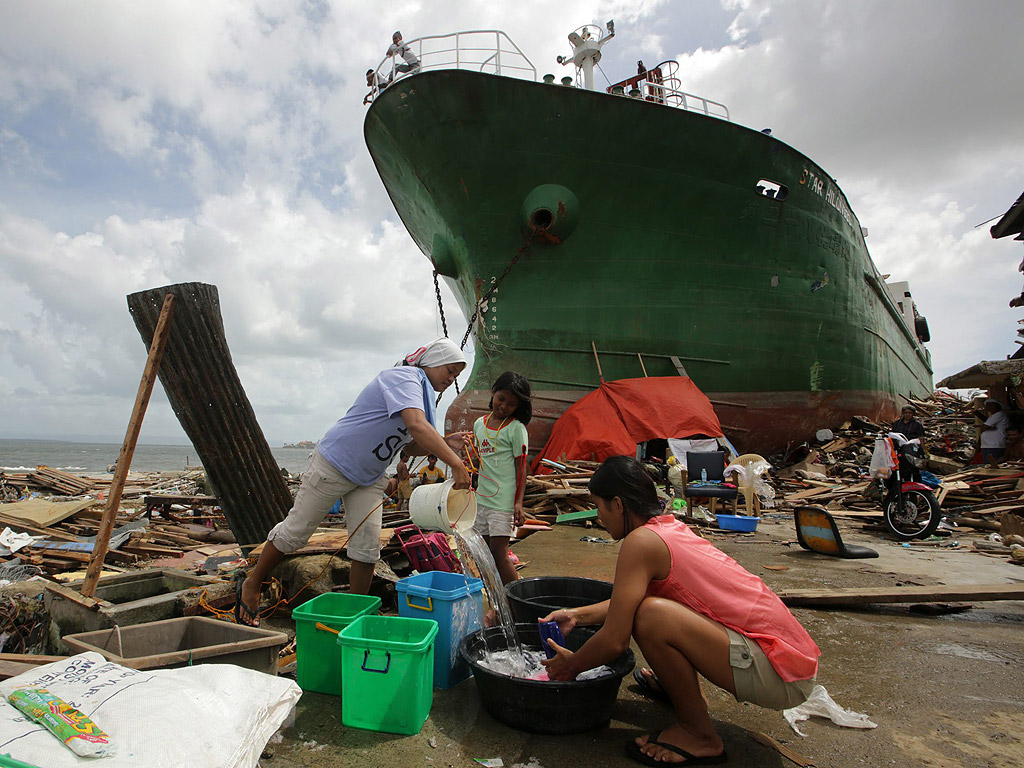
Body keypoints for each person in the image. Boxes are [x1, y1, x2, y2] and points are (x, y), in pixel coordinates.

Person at [540, 456, 819, 766]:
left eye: (599, 506)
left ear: (617, 505)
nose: (599, 517)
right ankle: (679, 689)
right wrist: (577, 615)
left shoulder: (640, 542)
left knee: (649, 616)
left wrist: (572, 666)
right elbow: (626, 601)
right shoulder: (666, 527)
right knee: (649, 608)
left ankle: (698, 733)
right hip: (788, 662)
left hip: (779, 673)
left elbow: (615, 640)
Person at [235, 339, 471, 626]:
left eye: (456, 375)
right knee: (295, 533)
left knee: (367, 549)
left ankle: (356, 616)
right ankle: (253, 582)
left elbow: (409, 446)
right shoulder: (402, 377)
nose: (451, 379)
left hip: (369, 477)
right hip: (335, 464)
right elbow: (416, 427)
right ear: (430, 361)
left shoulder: (422, 396)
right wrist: (455, 464)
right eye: (449, 370)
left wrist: (446, 443)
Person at [471, 371, 532, 585]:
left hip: (503, 503)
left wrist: (518, 502)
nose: (504, 406)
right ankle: (496, 599)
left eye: (511, 404)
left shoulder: (516, 429)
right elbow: (476, 461)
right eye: (501, 399)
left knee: (499, 553)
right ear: (493, 392)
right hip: (481, 500)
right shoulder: (479, 424)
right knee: (482, 554)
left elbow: (522, 468)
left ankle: (514, 599)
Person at [979, 398, 1009, 464]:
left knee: (991, 464)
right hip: (988, 445)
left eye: (990, 406)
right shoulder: (993, 416)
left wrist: (987, 427)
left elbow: (985, 427)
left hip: (994, 445)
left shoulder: (999, 414)